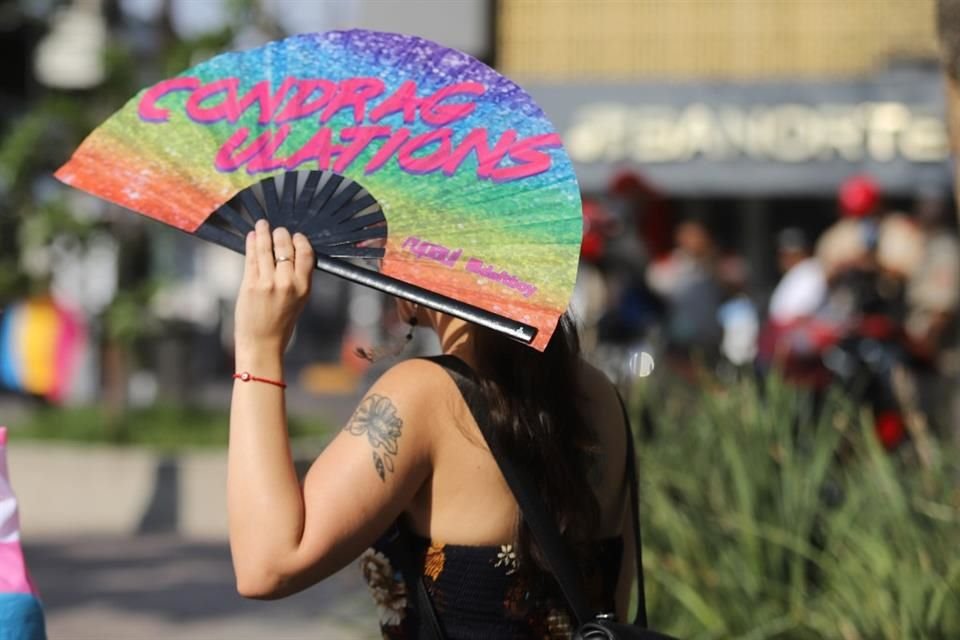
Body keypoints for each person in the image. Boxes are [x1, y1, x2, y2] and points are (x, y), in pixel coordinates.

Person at [227, 221, 637, 637]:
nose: (379, 254)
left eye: (388, 232)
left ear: (428, 250)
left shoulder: (423, 395)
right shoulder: (599, 395)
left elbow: (267, 565)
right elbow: (613, 606)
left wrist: (258, 347)